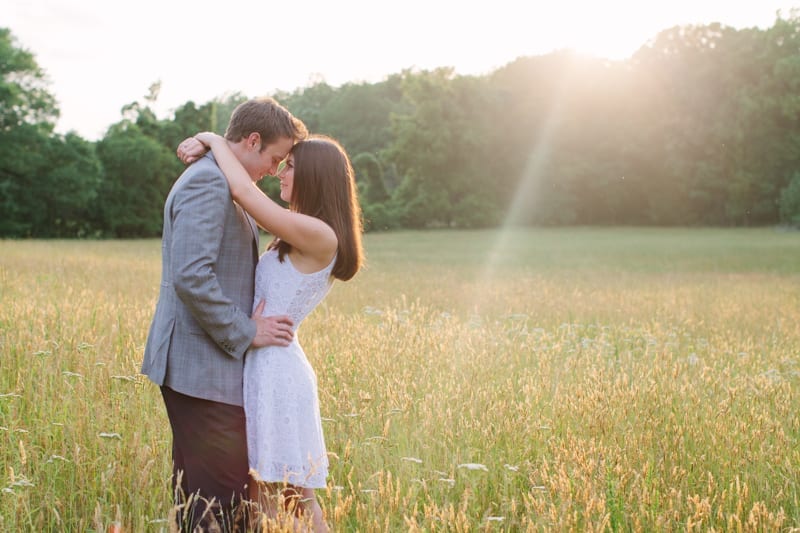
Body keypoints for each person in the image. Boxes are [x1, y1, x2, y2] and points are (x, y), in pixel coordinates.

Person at [177, 130, 364, 531]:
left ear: (314, 176)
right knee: (270, 498)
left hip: (278, 372)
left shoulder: (320, 234)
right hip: (266, 365)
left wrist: (213, 140)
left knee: (284, 500)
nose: (280, 172)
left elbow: (244, 192)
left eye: (290, 166)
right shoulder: (300, 230)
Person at [141, 97, 308, 532]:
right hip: (199, 368)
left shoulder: (223, 179)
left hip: (208, 368)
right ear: (252, 141)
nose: (274, 169)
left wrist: (210, 140)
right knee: (219, 502)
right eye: (274, 157)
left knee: (206, 499)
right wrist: (246, 330)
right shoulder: (208, 183)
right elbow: (191, 276)